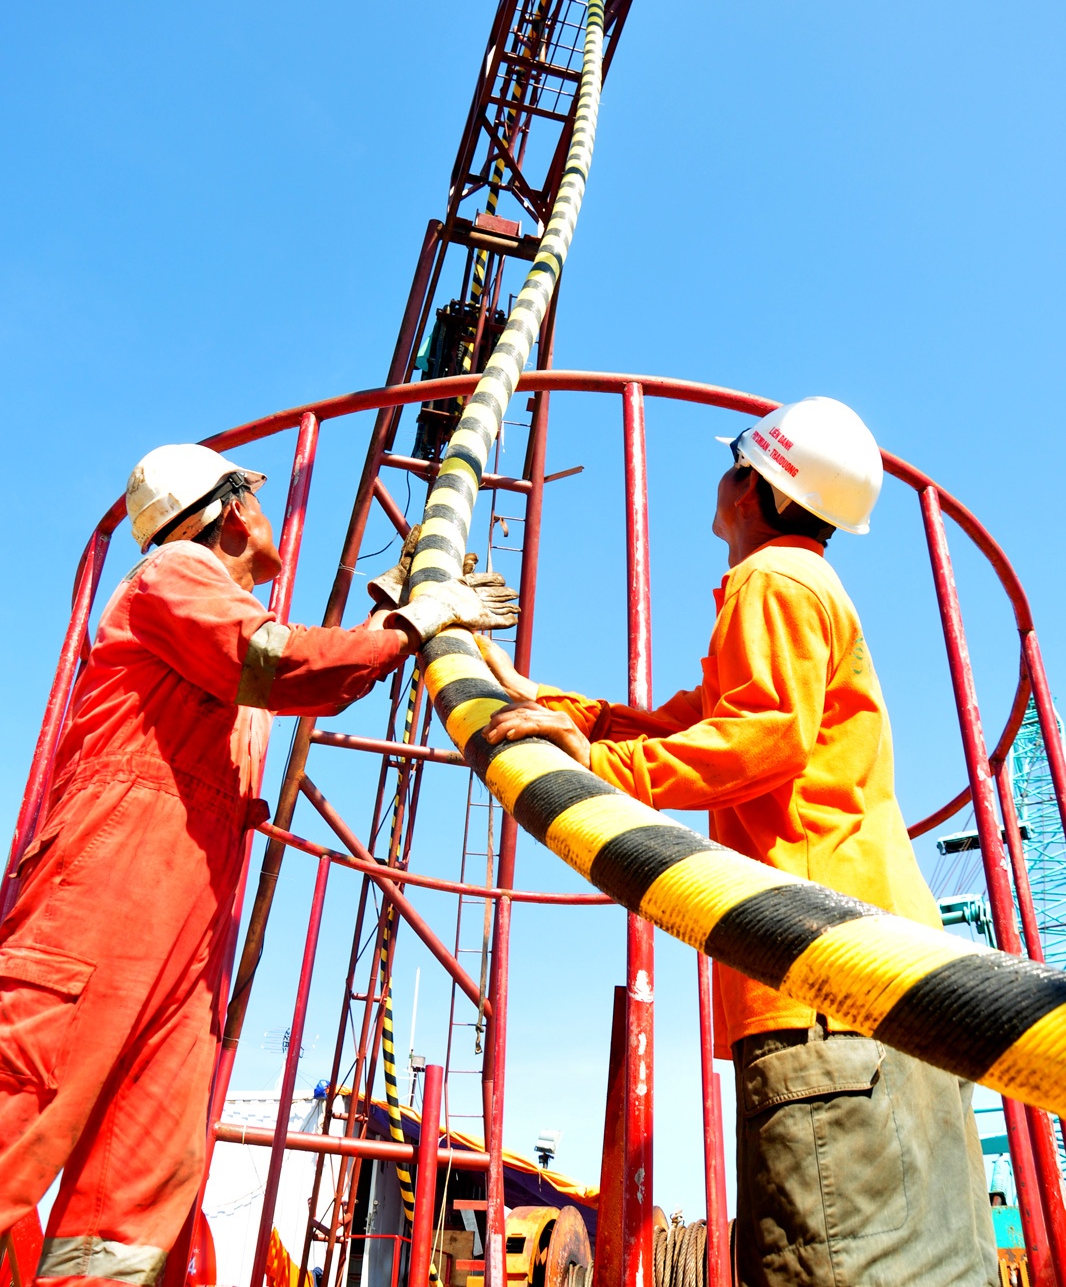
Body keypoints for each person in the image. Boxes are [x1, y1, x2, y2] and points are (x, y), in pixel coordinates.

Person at [477, 397, 998, 1287]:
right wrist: (534, 696)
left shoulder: (773, 583)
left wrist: (604, 765)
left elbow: (762, 736)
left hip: (820, 982)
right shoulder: (803, 590)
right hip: (889, 982)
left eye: (731, 466)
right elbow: (682, 722)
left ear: (754, 488)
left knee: (829, 1263)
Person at [0, 443, 515, 1285]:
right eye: (257, 501)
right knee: (19, 1113)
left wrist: (391, 610)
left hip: (189, 924)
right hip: (103, 891)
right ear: (234, 509)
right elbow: (277, 660)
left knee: (139, 1179)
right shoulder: (174, 572)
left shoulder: (206, 604)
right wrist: (414, 621)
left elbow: (277, 656)